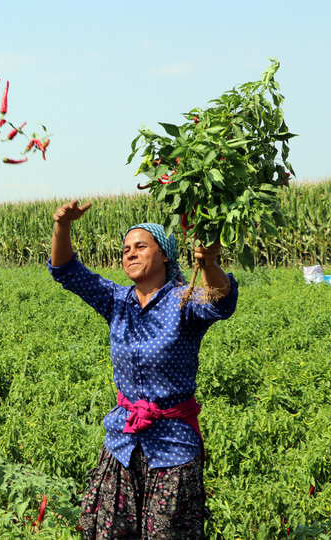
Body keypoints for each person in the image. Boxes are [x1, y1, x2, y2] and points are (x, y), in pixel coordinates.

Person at [48, 200, 238, 539]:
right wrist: (63, 225)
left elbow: (221, 300)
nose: (130, 253)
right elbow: (66, 271)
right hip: (123, 441)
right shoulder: (117, 301)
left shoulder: (184, 301)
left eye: (140, 246)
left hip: (172, 447)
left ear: (164, 254)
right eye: (125, 250)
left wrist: (208, 262)